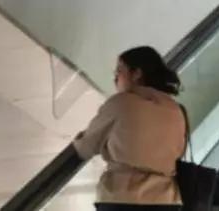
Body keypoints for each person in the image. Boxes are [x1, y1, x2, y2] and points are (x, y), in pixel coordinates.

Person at [74, 46, 186, 210]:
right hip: (166, 200)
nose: (115, 78)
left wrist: (82, 138)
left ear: (136, 73)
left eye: (119, 71)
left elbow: (86, 148)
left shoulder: (121, 102)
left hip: (123, 197)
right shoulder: (175, 110)